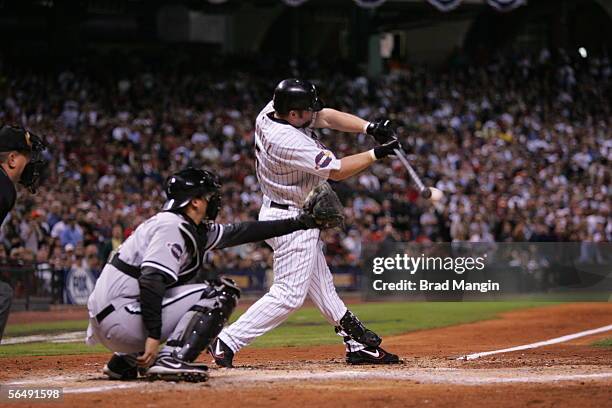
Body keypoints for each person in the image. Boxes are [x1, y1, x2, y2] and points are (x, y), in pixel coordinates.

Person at [86, 167, 341, 382]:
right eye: (209, 196)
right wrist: (153, 336)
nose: (214, 201)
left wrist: (300, 223)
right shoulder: (172, 226)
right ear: (195, 201)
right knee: (219, 292)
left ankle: (124, 362)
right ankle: (171, 358)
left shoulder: (185, 225)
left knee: (190, 287)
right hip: (120, 319)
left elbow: (242, 232)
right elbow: (151, 281)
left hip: (113, 319)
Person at [212, 79, 401, 366]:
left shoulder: (271, 110)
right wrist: (377, 153)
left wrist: (369, 127)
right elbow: (336, 171)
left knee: (323, 288)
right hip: (292, 219)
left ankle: (357, 343)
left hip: (287, 210)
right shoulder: (287, 140)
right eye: (305, 111)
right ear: (291, 114)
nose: (313, 113)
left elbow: (324, 116)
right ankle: (228, 340)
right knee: (289, 294)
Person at [0, 125, 47, 343]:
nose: (30, 165)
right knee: (2, 294)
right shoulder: (4, 186)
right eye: (26, 158)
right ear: (12, 159)